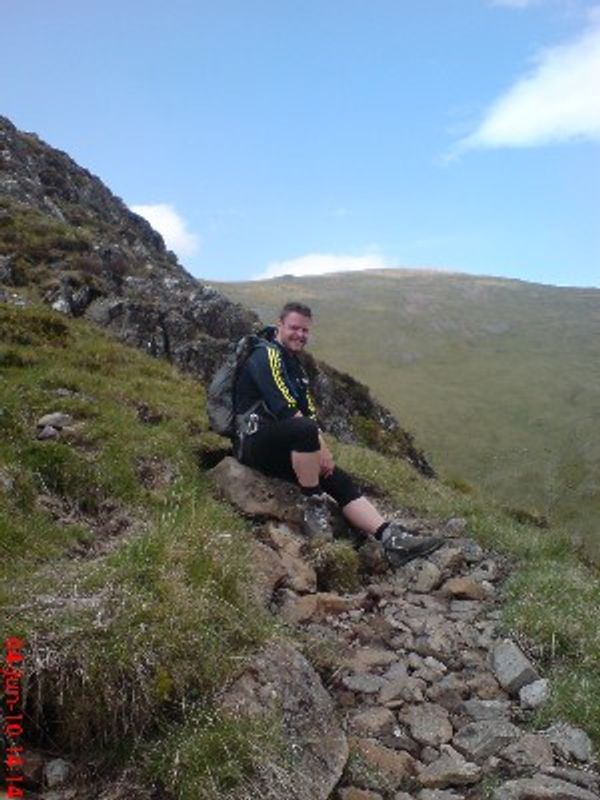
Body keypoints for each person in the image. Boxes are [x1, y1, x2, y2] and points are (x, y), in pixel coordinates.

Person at [234, 301, 444, 566]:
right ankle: (313, 507)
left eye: (305, 330)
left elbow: (308, 411)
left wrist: (322, 452)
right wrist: (318, 445)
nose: (300, 335)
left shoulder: (295, 367)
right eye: (294, 328)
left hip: (283, 444)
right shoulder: (265, 356)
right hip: (253, 442)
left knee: (336, 476)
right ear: (280, 325)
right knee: (306, 432)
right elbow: (286, 411)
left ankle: (390, 538)